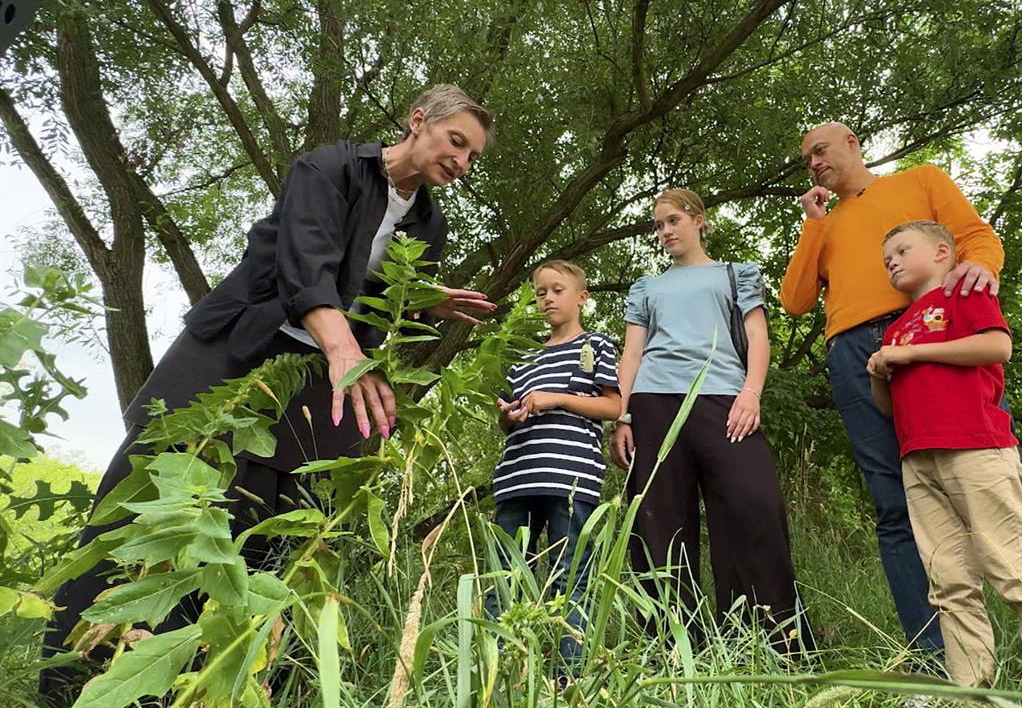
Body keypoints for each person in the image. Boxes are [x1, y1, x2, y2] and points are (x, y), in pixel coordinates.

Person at [40, 84, 498, 700]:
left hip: (313, 380)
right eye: (456, 143)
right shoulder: (328, 167)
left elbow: (369, 300)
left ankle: (198, 680)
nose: (461, 164)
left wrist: (417, 298)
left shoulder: (428, 225)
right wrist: (344, 349)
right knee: (158, 486)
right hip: (237, 349)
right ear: (419, 122)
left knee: (271, 528)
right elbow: (305, 264)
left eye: (472, 158)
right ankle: (67, 677)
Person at [780, 122, 1022, 656]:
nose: (813, 161)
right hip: (858, 354)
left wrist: (976, 276)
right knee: (893, 502)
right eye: (806, 157)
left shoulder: (920, 180)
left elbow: (975, 238)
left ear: (852, 143)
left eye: (820, 150)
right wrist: (813, 225)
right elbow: (795, 299)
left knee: (1012, 483)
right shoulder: (825, 226)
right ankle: (933, 655)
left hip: (934, 327)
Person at [867, 220, 1022, 688]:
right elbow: (887, 407)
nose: (893, 263)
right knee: (949, 584)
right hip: (917, 460)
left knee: (1016, 570)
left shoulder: (964, 292)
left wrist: (912, 354)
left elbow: (997, 346)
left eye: (903, 251)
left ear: (943, 251)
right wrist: (879, 371)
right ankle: (971, 692)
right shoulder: (898, 328)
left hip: (977, 449)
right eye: (887, 260)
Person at [611, 189, 811, 651]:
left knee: (754, 506)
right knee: (658, 521)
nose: (666, 231)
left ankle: (768, 640)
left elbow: (758, 336)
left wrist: (751, 392)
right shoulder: (647, 287)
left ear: (699, 221)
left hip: (724, 396)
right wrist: (621, 415)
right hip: (653, 400)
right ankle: (673, 647)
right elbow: (633, 351)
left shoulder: (736, 275)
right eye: (659, 225)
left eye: (674, 220)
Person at [489, 259, 620, 677]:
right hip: (517, 478)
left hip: (571, 478)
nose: (547, 298)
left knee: (569, 579)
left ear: (581, 297)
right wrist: (509, 415)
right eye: (540, 291)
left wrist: (557, 398)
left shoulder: (597, 345)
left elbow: (614, 405)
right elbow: (503, 419)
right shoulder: (522, 357)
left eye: (557, 289)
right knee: (505, 577)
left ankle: (568, 679)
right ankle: (497, 674)